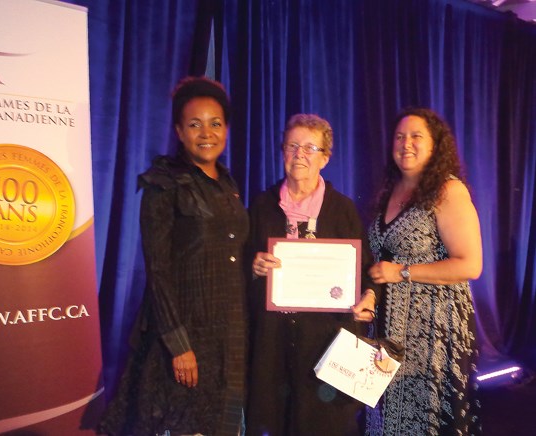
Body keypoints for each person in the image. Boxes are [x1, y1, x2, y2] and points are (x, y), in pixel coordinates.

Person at [98, 76, 249, 435]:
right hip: (186, 337)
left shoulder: (228, 184)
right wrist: (179, 346)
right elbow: (158, 271)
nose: (206, 133)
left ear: (226, 129)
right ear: (179, 131)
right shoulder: (163, 184)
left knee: (226, 425)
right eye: (194, 124)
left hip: (230, 334)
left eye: (215, 123)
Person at [246, 113, 378, 435]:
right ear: (282, 152)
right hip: (272, 343)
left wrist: (370, 297)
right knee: (273, 421)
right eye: (292, 145)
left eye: (310, 147)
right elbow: (240, 263)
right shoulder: (262, 206)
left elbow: (366, 270)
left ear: (325, 158)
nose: (299, 154)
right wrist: (253, 265)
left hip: (326, 342)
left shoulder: (343, 209)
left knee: (323, 425)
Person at [362, 107, 483, 435]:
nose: (406, 143)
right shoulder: (389, 191)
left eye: (417, 136)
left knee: (427, 421)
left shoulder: (448, 191)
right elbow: (380, 261)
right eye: (400, 137)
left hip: (434, 332)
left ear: (435, 145)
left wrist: (401, 272)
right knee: (387, 418)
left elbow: (470, 264)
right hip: (388, 328)